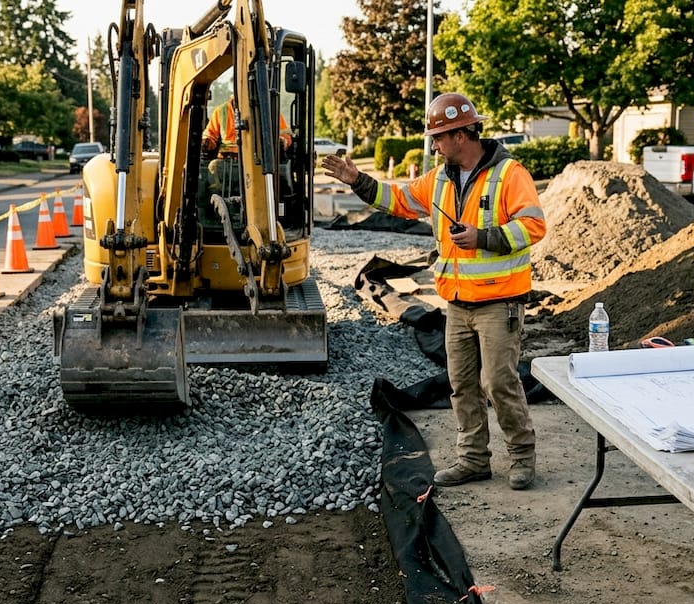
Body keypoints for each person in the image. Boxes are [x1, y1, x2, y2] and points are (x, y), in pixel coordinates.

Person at [321, 92, 546, 490]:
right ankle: (474, 459)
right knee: (460, 385)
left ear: (462, 134)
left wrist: (483, 237)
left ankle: (522, 457)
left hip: (499, 303)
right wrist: (357, 180)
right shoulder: (440, 178)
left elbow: (533, 226)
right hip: (456, 304)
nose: (435, 145)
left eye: (439, 138)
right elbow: (400, 200)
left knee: (498, 383)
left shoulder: (509, 174)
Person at [203, 95, 293, 157]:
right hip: (226, 163)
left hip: (257, 162)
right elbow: (210, 135)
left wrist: (281, 141)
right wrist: (206, 142)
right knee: (213, 166)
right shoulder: (221, 111)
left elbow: (284, 135)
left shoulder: (268, 112)